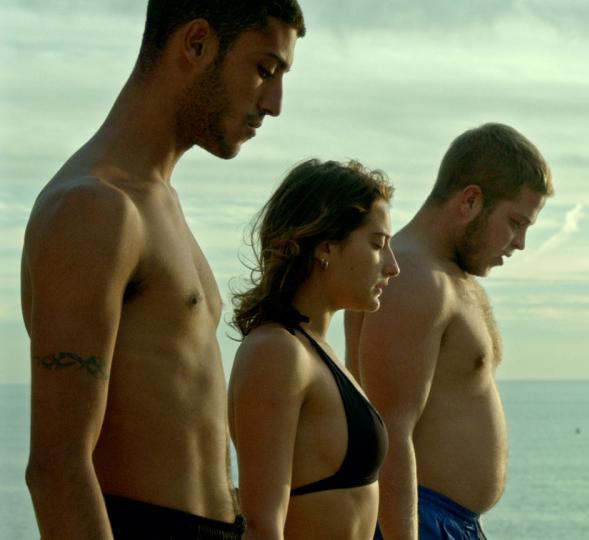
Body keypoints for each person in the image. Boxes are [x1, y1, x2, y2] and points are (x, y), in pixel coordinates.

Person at [20, 2, 305, 538]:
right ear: (196, 44)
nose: (274, 104)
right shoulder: (93, 208)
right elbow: (57, 470)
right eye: (265, 69)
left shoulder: (158, 202)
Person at [345, 123, 554, 540]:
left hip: (447, 522)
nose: (520, 243)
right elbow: (389, 431)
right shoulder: (412, 279)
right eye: (515, 222)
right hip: (421, 520)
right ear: (470, 200)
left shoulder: (447, 276)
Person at [229, 159, 400, 540]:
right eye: (377, 245)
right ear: (326, 247)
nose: (393, 266)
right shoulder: (277, 352)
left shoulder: (315, 350)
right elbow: (261, 526)